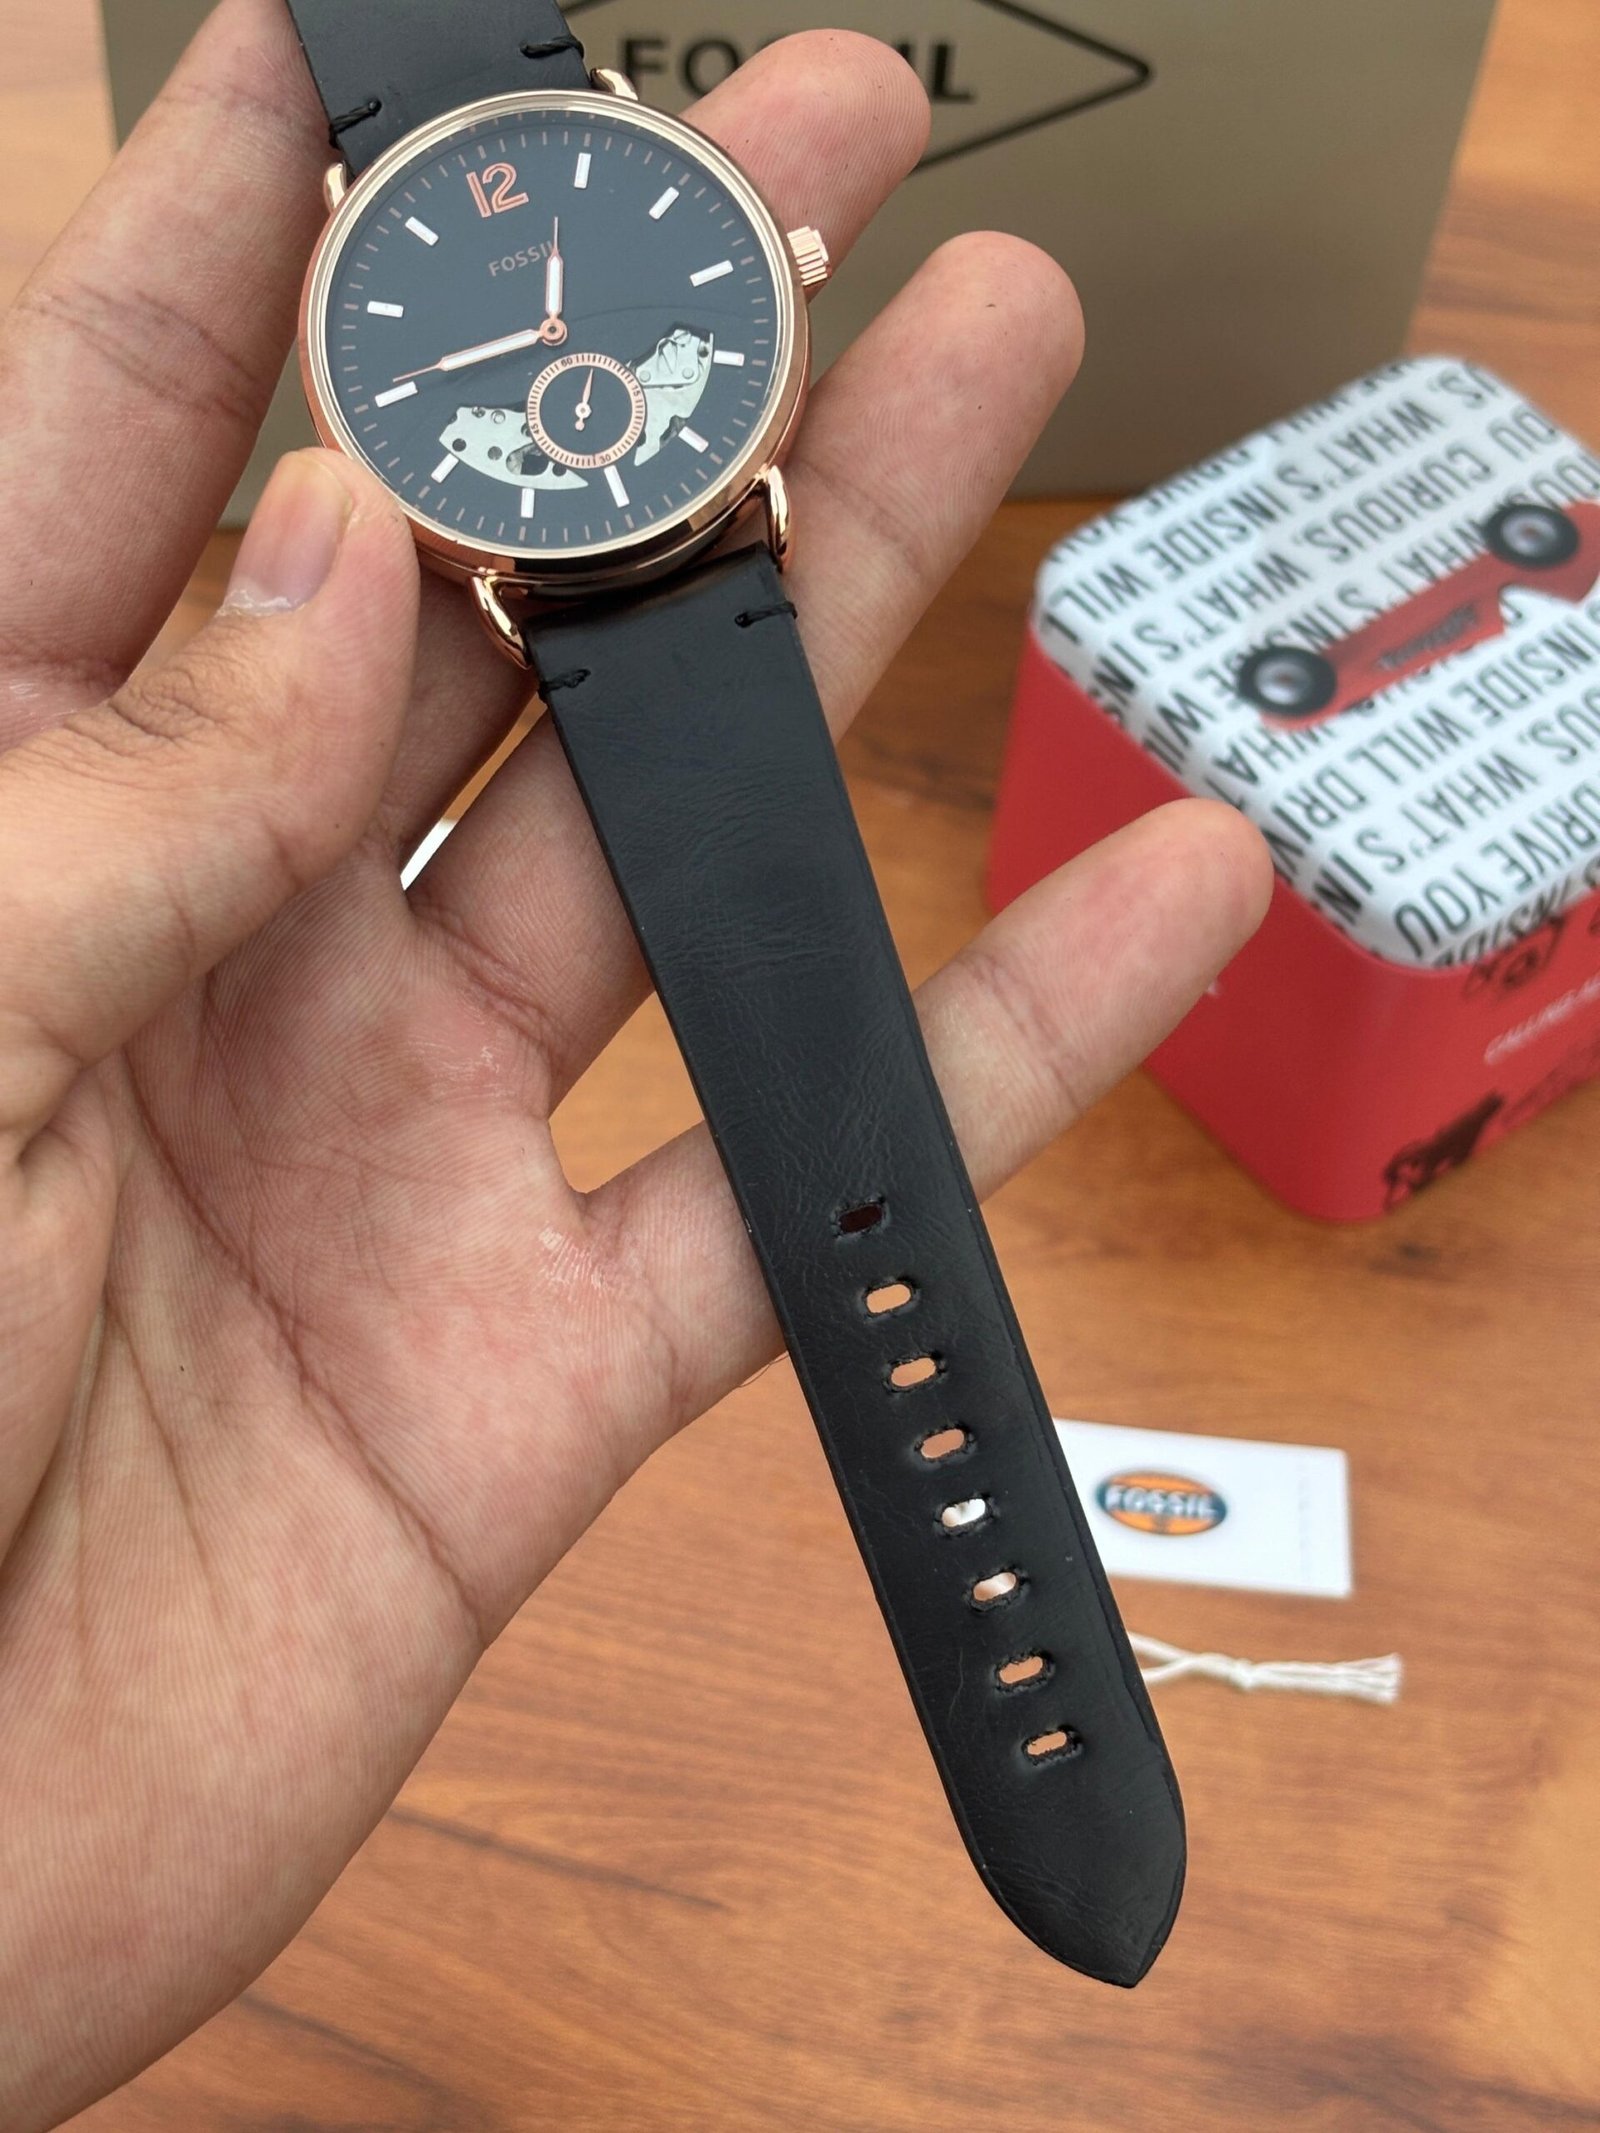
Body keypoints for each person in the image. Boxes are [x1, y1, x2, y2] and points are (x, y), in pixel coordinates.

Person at [0, 2, 1270, 2121]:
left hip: (669, 561)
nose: (542, 324)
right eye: (485, 322)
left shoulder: (608, 273)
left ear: (771, 275)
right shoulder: (471, 326)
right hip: (583, 582)